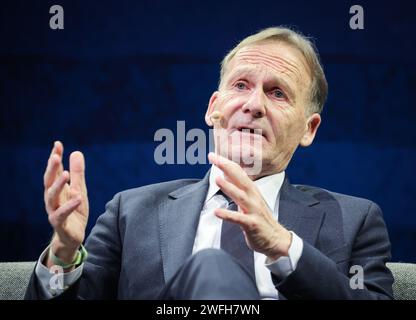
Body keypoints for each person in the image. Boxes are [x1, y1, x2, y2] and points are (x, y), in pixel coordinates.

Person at [25, 26, 394, 300]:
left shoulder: (355, 220)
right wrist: (64, 253)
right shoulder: (130, 211)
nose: (254, 105)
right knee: (212, 264)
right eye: (240, 86)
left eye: (277, 92)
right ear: (213, 108)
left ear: (309, 129)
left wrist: (285, 248)